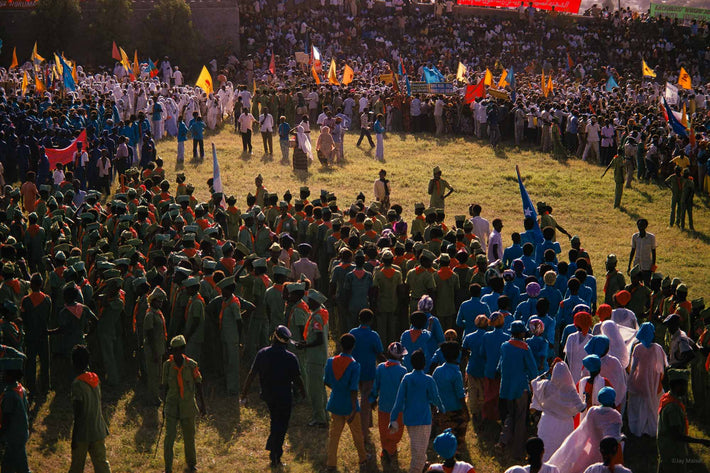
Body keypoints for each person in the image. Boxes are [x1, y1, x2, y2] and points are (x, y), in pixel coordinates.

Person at [241, 326, 306, 468]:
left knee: (275, 420)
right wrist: (303, 393)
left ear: (274, 337)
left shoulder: (262, 353)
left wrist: (244, 394)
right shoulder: (290, 357)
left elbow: (251, 374)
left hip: (268, 395)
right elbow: (297, 379)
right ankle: (275, 454)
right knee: (281, 425)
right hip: (284, 396)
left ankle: (273, 449)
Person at [390, 349, 445, 473]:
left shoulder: (407, 378)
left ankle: (422, 467)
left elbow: (398, 401)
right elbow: (436, 398)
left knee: (418, 448)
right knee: (418, 454)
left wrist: (393, 418)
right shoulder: (428, 380)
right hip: (424, 419)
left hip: (409, 419)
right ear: (424, 363)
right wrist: (442, 409)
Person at [324, 333, 370, 472]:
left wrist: (337, 389)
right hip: (349, 405)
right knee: (357, 434)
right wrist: (354, 406)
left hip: (335, 402)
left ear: (340, 345)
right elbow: (353, 388)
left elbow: (326, 380)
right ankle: (362, 458)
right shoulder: (355, 365)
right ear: (353, 347)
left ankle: (331, 463)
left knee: (334, 436)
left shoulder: (331, 361)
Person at [161, 335, 206, 473]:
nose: (174, 353)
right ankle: (168, 468)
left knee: (189, 437)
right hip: (172, 406)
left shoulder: (192, 365)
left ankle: (191, 464)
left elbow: (199, 384)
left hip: (187, 405)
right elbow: (164, 387)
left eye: (177, 349)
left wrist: (202, 405)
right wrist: (164, 407)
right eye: (172, 350)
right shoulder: (167, 366)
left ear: (182, 349)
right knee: (169, 438)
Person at [497, 320, 539, 459]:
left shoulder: (504, 346)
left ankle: (503, 442)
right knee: (521, 418)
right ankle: (517, 452)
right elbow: (533, 370)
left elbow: (500, 365)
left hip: (506, 387)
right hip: (520, 387)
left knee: (510, 415)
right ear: (521, 333)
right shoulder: (525, 347)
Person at [69, 345, 112, 473]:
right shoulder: (95, 379)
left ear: (74, 363)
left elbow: (78, 414)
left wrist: (74, 437)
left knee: (77, 466)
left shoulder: (77, 384)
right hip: (98, 428)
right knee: (102, 465)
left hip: (83, 432)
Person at [657, 369, 710, 472]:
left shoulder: (667, 397)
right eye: (685, 385)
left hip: (665, 451)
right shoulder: (673, 408)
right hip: (673, 454)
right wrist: (701, 441)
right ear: (677, 386)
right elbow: (677, 436)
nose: (686, 388)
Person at [370, 341, 408, 467]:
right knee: (396, 430)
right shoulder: (403, 370)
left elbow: (375, 386)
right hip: (398, 408)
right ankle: (390, 451)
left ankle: (385, 450)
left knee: (383, 429)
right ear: (400, 356)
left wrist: (372, 400)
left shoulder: (380, 367)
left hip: (383, 406)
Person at [627, 322, 667, 437]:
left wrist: (631, 380)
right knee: (654, 403)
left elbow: (633, 367)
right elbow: (661, 369)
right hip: (654, 381)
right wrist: (658, 381)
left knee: (640, 404)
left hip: (640, 380)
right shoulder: (658, 348)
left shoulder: (638, 348)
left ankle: (639, 426)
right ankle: (652, 426)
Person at [0, 356, 30, 473]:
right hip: (21, 433)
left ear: (11, 375)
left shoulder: (10, 396)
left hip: (14, 437)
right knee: (8, 464)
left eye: (5, 373)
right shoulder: (21, 389)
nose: (2, 375)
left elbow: (6, 420)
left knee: (21, 468)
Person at [627, 218, 655, 284]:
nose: (640, 227)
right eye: (639, 225)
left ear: (646, 226)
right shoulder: (635, 236)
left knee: (647, 284)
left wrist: (653, 267)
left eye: (642, 225)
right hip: (637, 264)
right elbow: (633, 251)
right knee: (636, 284)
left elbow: (653, 252)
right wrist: (629, 265)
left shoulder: (651, 237)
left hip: (647, 266)